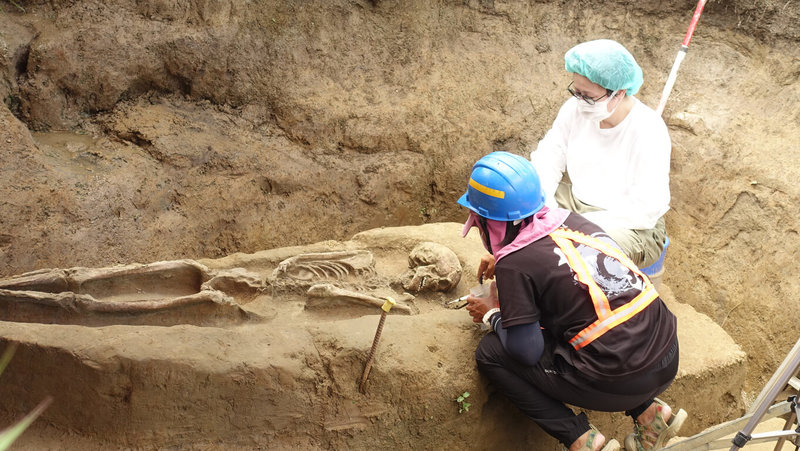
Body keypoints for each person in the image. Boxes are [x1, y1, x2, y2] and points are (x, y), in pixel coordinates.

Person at [458, 151, 686, 451]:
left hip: (622, 381)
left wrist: (493, 313)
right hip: (667, 354)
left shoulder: (515, 263)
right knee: (596, 324)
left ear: (489, 223)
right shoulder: (574, 221)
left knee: (491, 352)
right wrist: (508, 276)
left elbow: (525, 352)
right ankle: (651, 414)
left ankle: (582, 439)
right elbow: (569, 283)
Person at [529, 39, 670, 268]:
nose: (580, 101)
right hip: (577, 202)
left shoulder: (648, 129)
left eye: (588, 96)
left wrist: (571, 224)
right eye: (577, 92)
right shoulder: (573, 110)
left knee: (582, 254)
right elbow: (547, 159)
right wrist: (544, 208)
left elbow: (646, 208)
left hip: (632, 225)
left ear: (618, 92)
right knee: (522, 208)